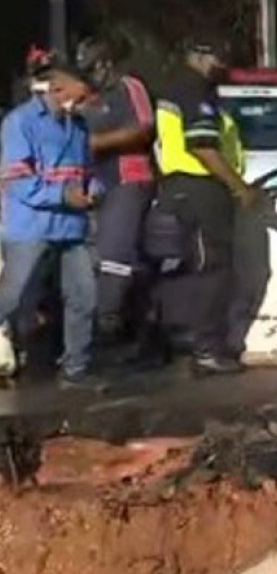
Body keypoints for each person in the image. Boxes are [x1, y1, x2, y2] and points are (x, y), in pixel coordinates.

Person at [154, 41, 259, 376]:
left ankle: (200, 343)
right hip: (199, 187)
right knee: (214, 267)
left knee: (205, 266)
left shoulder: (186, 88)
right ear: (199, 57)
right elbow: (202, 146)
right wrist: (240, 187)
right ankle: (206, 350)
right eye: (218, 58)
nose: (222, 66)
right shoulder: (192, 89)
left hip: (192, 188)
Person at [0, 60, 104, 390]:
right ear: (58, 89)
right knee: (13, 297)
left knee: (83, 296)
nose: (85, 104)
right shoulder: (20, 122)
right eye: (81, 96)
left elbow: (87, 171)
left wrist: (93, 190)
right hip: (31, 227)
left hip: (71, 228)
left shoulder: (78, 127)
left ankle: (76, 371)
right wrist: (62, 195)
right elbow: (17, 179)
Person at [74, 37, 157, 346]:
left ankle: (108, 323)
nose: (89, 76)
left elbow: (144, 128)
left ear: (107, 64)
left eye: (92, 69)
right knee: (90, 254)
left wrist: (95, 144)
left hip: (129, 177)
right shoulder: (85, 98)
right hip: (94, 181)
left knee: (115, 251)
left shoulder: (129, 87)